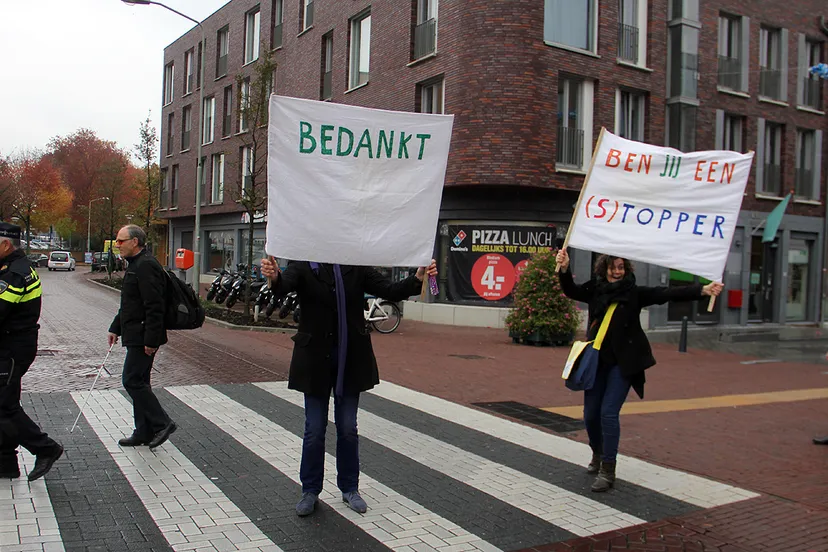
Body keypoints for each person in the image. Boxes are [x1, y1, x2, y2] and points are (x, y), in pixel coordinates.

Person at [260, 257, 438, 516]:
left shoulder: (356, 264)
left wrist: (418, 278)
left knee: (347, 428)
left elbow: (389, 289)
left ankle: (349, 488)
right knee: (314, 429)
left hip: (350, 357)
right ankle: (310, 491)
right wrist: (274, 276)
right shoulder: (305, 264)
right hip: (314, 359)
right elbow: (283, 285)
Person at [555, 248, 722, 492]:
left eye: (621, 267)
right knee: (590, 415)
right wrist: (564, 267)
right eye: (613, 267)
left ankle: (608, 470)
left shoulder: (634, 293)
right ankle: (598, 453)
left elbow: (666, 293)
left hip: (624, 364)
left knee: (608, 413)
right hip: (597, 362)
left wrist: (703, 290)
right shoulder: (595, 290)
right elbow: (571, 289)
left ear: (626, 269)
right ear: (604, 269)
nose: (617, 271)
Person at [0, 222, 64, 481]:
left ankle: (45, 448)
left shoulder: (15, 274)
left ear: (5, 245)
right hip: (13, 346)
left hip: (11, 349)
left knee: (4, 405)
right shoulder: (13, 268)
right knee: (6, 403)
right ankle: (6, 463)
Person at [107, 225, 176, 449]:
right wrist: (115, 327)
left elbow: (154, 306)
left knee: (132, 380)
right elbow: (130, 304)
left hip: (143, 335)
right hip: (134, 333)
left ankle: (162, 422)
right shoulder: (137, 264)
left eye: (120, 241)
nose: (117, 245)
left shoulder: (146, 266)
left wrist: (151, 340)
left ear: (135, 242)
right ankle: (143, 431)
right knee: (140, 381)